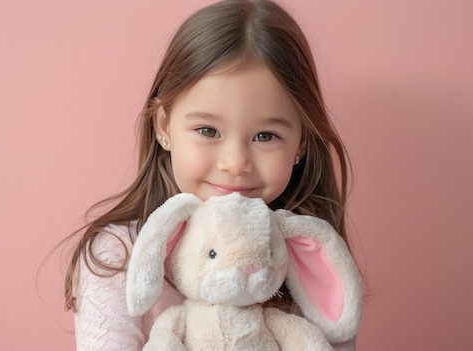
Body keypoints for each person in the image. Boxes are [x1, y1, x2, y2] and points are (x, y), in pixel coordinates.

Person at [61, 0, 359, 349]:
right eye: (208, 130)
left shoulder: (311, 255)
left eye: (265, 136)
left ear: (301, 144)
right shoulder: (117, 256)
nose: (235, 163)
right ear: (164, 127)